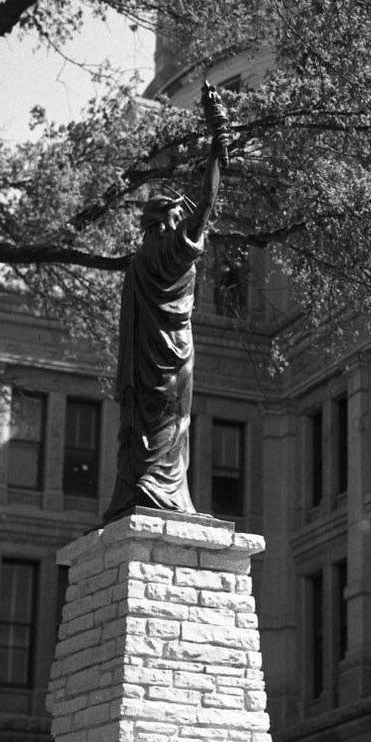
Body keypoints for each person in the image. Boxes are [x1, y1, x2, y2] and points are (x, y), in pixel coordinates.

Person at [102, 82, 229, 522]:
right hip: (171, 361)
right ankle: (166, 496)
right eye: (178, 214)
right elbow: (208, 202)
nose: (184, 218)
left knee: (146, 433)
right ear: (168, 219)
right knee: (173, 429)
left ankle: (138, 489)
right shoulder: (172, 251)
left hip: (140, 371)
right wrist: (217, 140)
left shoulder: (138, 261)